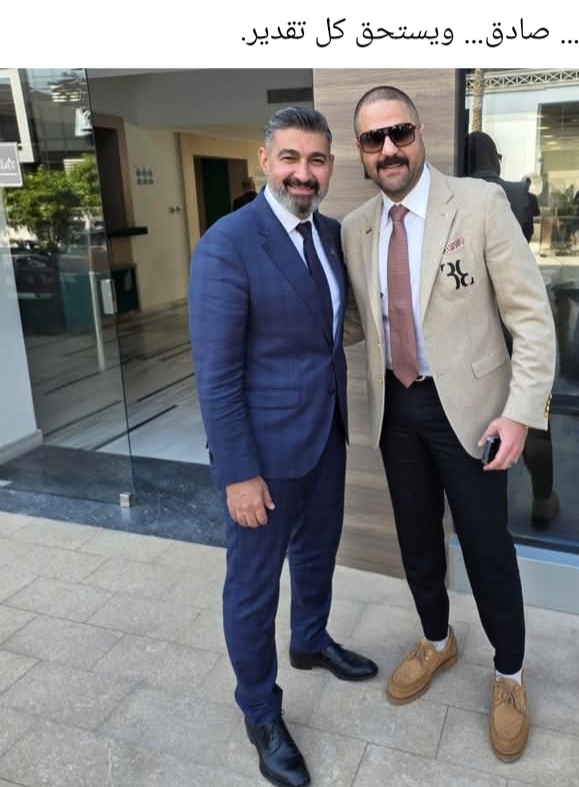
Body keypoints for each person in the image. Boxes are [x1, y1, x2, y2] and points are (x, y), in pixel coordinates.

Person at [342, 87, 556, 763]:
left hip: (473, 412)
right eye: (373, 139)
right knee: (416, 541)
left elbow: (531, 318)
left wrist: (520, 414)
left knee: (488, 549)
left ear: (420, 133)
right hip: (396, 409)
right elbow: (357, 323)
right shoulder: (355, 229)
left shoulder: (479, 204)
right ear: (361, 153)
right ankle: (438, 639)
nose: (388, 149)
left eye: (399, 132)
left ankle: (510, 672)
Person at [189, 107, 377, 787]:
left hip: (326, 434)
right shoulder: (227, 244)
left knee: (318, 551)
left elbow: (333, 330)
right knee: (252, 586)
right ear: (265, 160)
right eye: (291, 157)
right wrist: (238, 473)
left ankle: (310, 639)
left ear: (330, 167)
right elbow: (216, 375)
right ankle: (260, 711)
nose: (304, 172)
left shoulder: (329, 234)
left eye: (317, 159)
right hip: (262, 458)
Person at [465, 131, 560, 529]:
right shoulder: (519, 192)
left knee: (475, 420)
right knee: (533, 419)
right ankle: (542, 500)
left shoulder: (459, 196)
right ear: (496, 158)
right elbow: (529, 239)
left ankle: (486, 508)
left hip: (475, 326)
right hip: (513, 313)